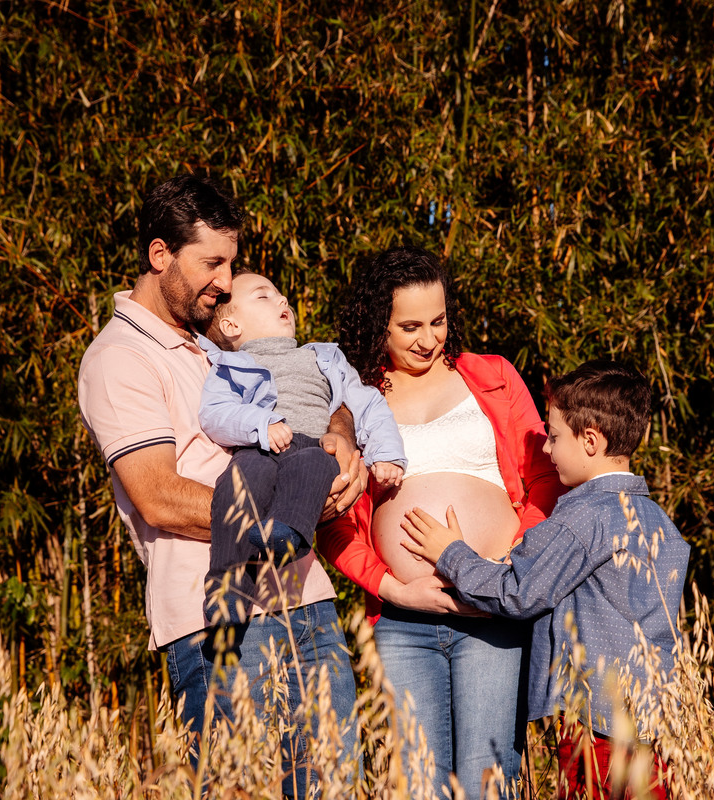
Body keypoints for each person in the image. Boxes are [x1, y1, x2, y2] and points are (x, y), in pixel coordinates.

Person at [77, 175, 365, 799]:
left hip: (307, 600)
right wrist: (291, 513)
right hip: (220, 621)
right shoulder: (120, 357)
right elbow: (159, 495)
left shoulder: (219, 345)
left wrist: (341, 432)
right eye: (212, 262)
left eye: (231, 264)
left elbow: (319, 389)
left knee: (338, 789)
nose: (227, 281)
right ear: (160, 255)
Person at [318, 245, 567, 799]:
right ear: (376, 323)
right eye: (409, 326)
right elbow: (333, 524)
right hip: (402, 621)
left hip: (491, 610)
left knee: (486, 778)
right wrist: (396, 589)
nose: (428, 339)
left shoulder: (493, 377)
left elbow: (545, 480)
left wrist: (506, 565)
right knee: (418, 781)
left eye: (438, 321)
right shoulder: (354, 401)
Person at [400, 359, 691, 800]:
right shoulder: (660, 522)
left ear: (590, 440)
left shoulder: (583, 516)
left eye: (554, 437)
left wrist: (451, 554)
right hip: (656, 720)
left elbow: (519, 591)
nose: (548, 450)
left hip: (598, 722)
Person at [198, 271, 407, 626]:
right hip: (258, 449)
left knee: (315, 464)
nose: (283, 300)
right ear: (232, 326)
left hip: (312, 444)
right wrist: (260, 425)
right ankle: (227, 587)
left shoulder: (324, 358)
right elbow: (214, 414)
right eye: (264, 296)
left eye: (281, 295)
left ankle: (287, 533)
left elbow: (367, 403)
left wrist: (386, 454)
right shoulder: (230, 367)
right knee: (240, 481)